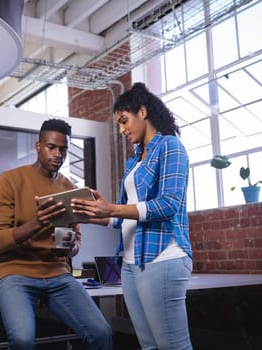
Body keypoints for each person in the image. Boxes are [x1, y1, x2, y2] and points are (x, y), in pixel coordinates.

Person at [72, 83, 193, 349]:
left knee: (173, 346)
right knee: (149, 346)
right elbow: (125, 217)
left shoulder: (170, 146)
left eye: (124, 121)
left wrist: (113, 208)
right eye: (119, 124)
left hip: (162, 258)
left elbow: (168, 204)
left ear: (143, 111)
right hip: (130, 263)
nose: (122, 130)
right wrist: (90, 213)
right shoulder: (134, 161)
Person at [0, 118, 112, 350]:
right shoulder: (10, 180)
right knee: (23, 340)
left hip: (57, 272)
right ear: (38, 147)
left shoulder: (70, 188)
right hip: (15, 270)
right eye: (51, 147)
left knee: (101, 333)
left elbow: (75, 242)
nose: (58, 154)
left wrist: (68, 246)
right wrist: (38, 223)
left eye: (63, 149)